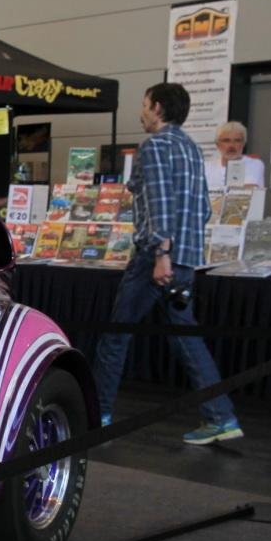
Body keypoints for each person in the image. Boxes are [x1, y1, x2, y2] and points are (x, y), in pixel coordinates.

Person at [93, 82, 241, 445]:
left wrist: (161, 254)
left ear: (158, 108)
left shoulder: (155, 146)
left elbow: (159, 203)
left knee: (116, 335)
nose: (141, 112)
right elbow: (203, 208)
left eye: (145, 105)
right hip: (186, 257)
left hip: (156, 258)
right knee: (186, 336)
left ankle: (98, 417)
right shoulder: (191, 148)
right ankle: (221, 416)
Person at [203, 120, 266, 190]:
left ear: (243, 144)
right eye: (226, 141)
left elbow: (247, 192)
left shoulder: (254, 164)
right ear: (217, 144)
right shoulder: (206, 167)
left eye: (237, 140)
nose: (232, 145)